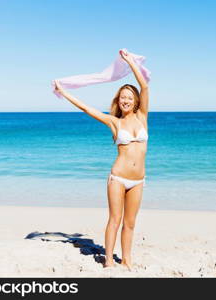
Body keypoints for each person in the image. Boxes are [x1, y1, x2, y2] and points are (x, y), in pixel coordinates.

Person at [54, 50, 149, 270]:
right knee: (115, 220)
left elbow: (144, 86)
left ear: (135, 101)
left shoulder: (143, 116)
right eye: (122, 97)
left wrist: (130, 61)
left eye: (129, 97)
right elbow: (86, 108)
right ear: (119, 101)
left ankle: (126, 261)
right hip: (118, 178)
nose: (125, 100)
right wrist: (63, 91)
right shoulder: (114, 122)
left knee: (130, 223)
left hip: (139, 180)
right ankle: (108, 261)